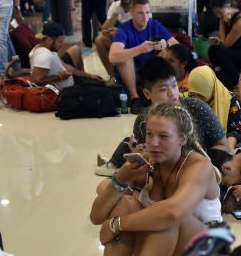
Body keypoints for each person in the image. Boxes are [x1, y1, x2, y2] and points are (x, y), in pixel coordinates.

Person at [89, 102, 222, 256]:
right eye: (149, 135)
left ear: (183, 138)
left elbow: (173, 212)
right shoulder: (147, 162)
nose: (153, 143)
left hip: (202, 253)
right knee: (123, 203)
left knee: (165, 219)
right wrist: (122, 177)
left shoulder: (198, 166)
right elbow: (96, 216)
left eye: (163, 136)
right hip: (161, 254)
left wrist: (118, 224)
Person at [96, 57, 228, 177]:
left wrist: (202, 169)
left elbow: (223, 145)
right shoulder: (143, 121)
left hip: (201, 175)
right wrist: (142, 156)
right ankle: (113, 164)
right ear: (147, 93)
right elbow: (150, 165)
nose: (172, 93)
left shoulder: (197, 107)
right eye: (164, 89)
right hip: (163, 178)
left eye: (174, 85)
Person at [108, 0, 179, 105]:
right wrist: (140, 49)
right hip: (131, 73)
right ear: (131, 13)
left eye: (147, 12)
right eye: (140, 13)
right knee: (125, 58)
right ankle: (134, 97)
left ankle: (165, 90)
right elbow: (113, 56)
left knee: (167, 53)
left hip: (150, 71)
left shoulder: (154, 24)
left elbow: (177, 45)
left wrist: (166, 45)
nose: (145, 17)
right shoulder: (124, 28)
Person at [26, 21, 93, 90]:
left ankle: (84, 79)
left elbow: (64, 65)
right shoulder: (44, 56)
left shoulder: (46, 47)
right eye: (60, 42)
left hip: (65, 77)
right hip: (64, 91)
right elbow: (35, 81)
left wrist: (89, 76)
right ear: (49, 40)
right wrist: (59, 77)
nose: (62, 45)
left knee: (75, 49)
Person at [187, 64, 241, 143]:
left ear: (211, 89)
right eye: (192, 94)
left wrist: (225, 152)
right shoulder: (189, 100)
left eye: (200, 96)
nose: (196, 100)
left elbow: (235, 131)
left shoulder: (230, 101)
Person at [94, 0, 134, 79]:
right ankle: (113, 76)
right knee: (100, 40)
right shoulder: (115, 6)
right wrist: (116, 13)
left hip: (137, 42)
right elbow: (104, 29)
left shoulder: (139, 6)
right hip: (121, 42)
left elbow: (143, 31)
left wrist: (120, 32)